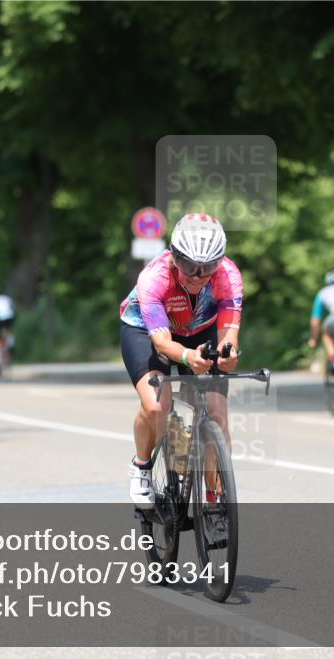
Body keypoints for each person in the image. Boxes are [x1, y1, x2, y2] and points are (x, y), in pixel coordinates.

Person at [119, 213, 242, 508]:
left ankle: (215, 498)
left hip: (200, 329)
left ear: (220, 262)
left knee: (217, 413)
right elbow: (162, 343)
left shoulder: (228, 276)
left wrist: (228, 357)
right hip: (144, 330)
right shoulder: (154, 277)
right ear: (174, 256)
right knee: (156, 406)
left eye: (208, 267)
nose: (198, 276)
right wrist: (188, 357)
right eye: (189, 266)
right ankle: (142, 466)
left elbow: (229, 337)